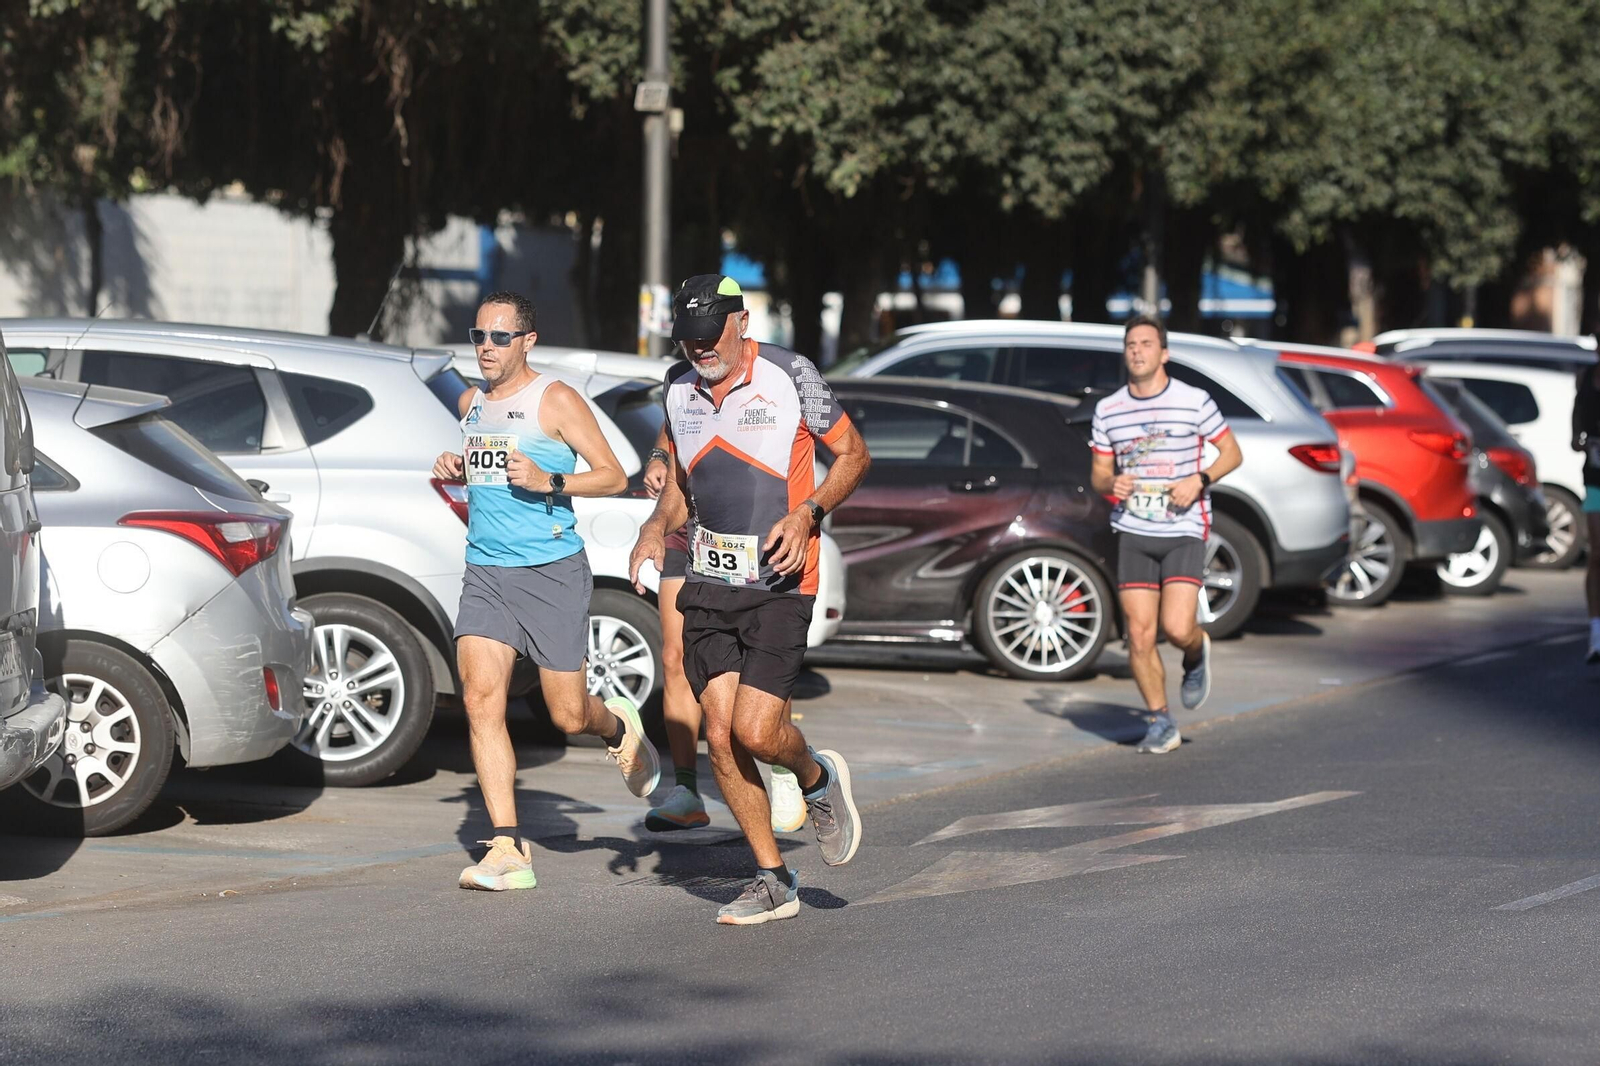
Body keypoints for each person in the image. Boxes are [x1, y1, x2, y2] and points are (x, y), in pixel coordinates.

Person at [629, 274, 871, 925]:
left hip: (781, 580)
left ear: (740, 323)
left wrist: (810, 512)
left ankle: (815, 777)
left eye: (709, 337)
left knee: (758, 731)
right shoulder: (677, 387)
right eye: (689, 340)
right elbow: (683, 479)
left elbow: (852, 454)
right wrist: (656, 526)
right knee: (719, 734)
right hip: (710, 579)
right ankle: (773, 878)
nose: (700, 350)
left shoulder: (792, 374)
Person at [433, 290, 660, 891]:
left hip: (550, 571)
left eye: (498, 337)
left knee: (565, 714)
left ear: (526, 342)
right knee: (482, 702)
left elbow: (616, 475)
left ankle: (616, 727)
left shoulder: (554, 399)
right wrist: (456, 465)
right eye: (478, 335)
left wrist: (548, 478)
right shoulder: (471, 401)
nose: (485, 347)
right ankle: (507, 848)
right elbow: (482, 463)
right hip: (485, 571)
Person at [639, 424, 808, 836]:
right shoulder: (682, 382)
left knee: (762, 659)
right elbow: (672, 431)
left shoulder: (760, 382)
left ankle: (786, 772)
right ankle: (686, 791)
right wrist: (659, 461)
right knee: (676, 657)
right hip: (690, 537)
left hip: (752, 532)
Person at [1089, 315, 1243, 754]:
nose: (1137, 351)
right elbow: (1099, 474)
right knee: (1139, 635)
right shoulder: (1109, 409)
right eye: (1131, 344)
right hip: (1133, 529)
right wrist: (1110, 484)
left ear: (1164, 353)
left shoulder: (1193, 401)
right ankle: (1160, 721)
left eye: (1146, 344)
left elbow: (1232, 452)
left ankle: (1195, 653)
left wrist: (1201, 478)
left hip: (1184, 526)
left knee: (1176, 628)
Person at [1574, 361, 1600, 664]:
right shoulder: (1586, 378)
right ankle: (1595, 632)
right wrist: (1578, 438)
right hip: (1594, 478)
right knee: (1596, 554)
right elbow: (1576, 417)